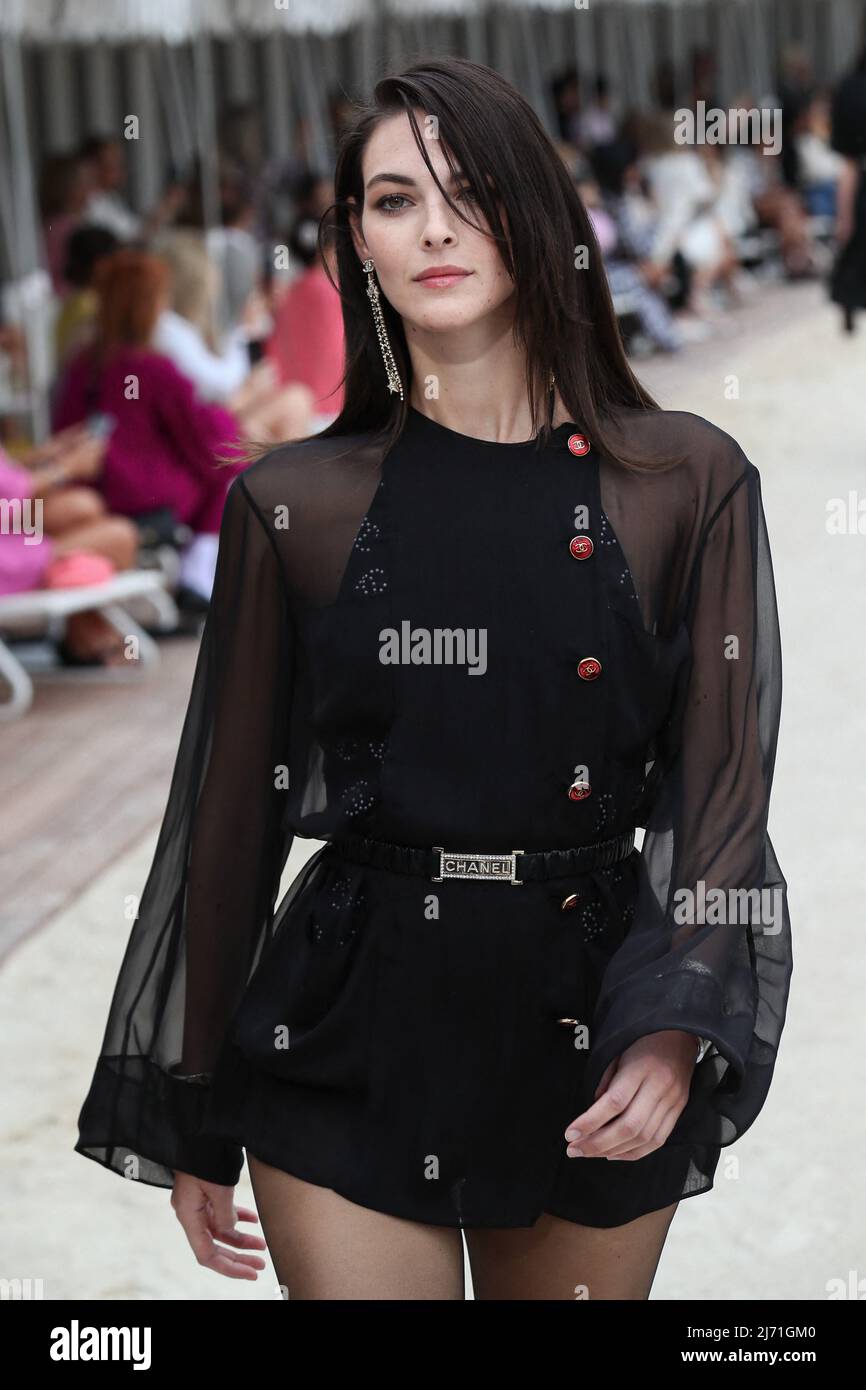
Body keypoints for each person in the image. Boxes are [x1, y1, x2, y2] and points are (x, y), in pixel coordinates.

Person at [73, 56, 792, 1301]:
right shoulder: (290, 503)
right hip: (346, 1023)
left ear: (539, 214)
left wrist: (678, 1019)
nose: (437, 229)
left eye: (471, 191)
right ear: (354, 237)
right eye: (394, 200)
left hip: (591, 1017)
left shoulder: (685, 482)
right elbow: (227, 821)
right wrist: (188, 1102)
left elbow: (719, 805)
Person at [52, 248, 244, 606]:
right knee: (228, 476)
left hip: (99, 494)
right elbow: (205, 445)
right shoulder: (155, 369)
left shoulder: (81, 367)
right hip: (151, 498)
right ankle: (197, 579)